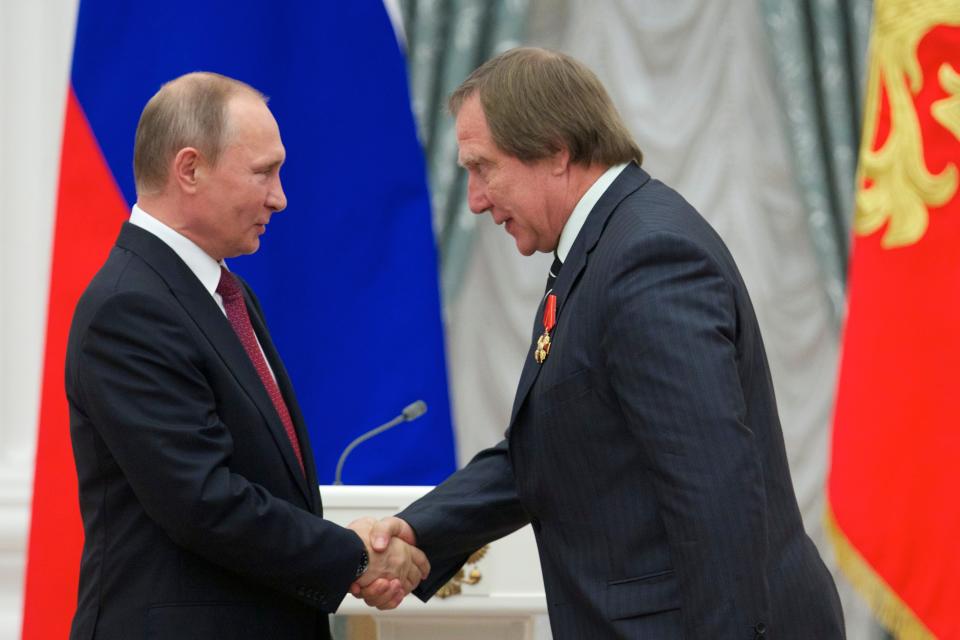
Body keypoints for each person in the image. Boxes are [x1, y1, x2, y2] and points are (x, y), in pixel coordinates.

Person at [355, 48, 846, 638]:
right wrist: (418, 532)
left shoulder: (648, 259)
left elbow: (712, 492)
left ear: (557, 151)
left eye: (483, 168)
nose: (476, 199)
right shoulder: (601, 247)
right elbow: (543, 450)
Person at [64, 72, 427, 640]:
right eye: (264, 172)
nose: (280, 197)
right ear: (189, 169)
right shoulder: (129, 308)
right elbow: (204, 503)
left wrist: (346, 550)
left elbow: (261, 483)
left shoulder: (220, 291)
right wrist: (353, 556)